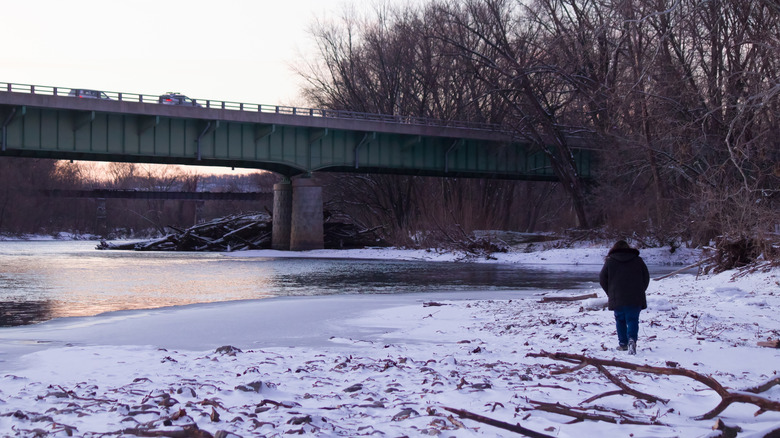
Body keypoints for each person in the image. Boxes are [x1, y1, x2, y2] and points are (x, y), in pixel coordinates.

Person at [599, 240, 650, 354]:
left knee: (620, 320)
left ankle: (623, 344)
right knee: (632, 319)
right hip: (635, 296)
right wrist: (640, 290)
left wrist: (610, 293)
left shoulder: (610, 261)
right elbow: (646, 277)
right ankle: (632, 340)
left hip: (617, 296)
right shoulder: (638, 260)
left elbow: (602, 279)